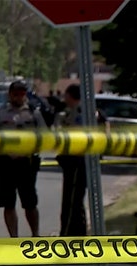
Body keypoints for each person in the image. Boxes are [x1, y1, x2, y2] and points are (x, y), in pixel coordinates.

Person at [0, 80, 47, 238]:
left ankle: (35, 235)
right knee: (8, 204)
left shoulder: (34, 113)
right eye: (15, 94)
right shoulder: (0, 113)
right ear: (10, 94)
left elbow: (45, 136)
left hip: (26, 164)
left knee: (30, 203)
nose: (18, 97)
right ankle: (14, 238)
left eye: (22, 93)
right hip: (5, 163)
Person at [54, 84, 88, 236]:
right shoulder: (72, 112)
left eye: (65, 95)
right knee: (74, 201)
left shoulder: (81, 113)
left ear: (71, 95)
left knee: (71, 202)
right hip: (71, 161)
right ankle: (77, 234)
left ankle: (68, 235)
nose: (63, 98)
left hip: (77, 161)